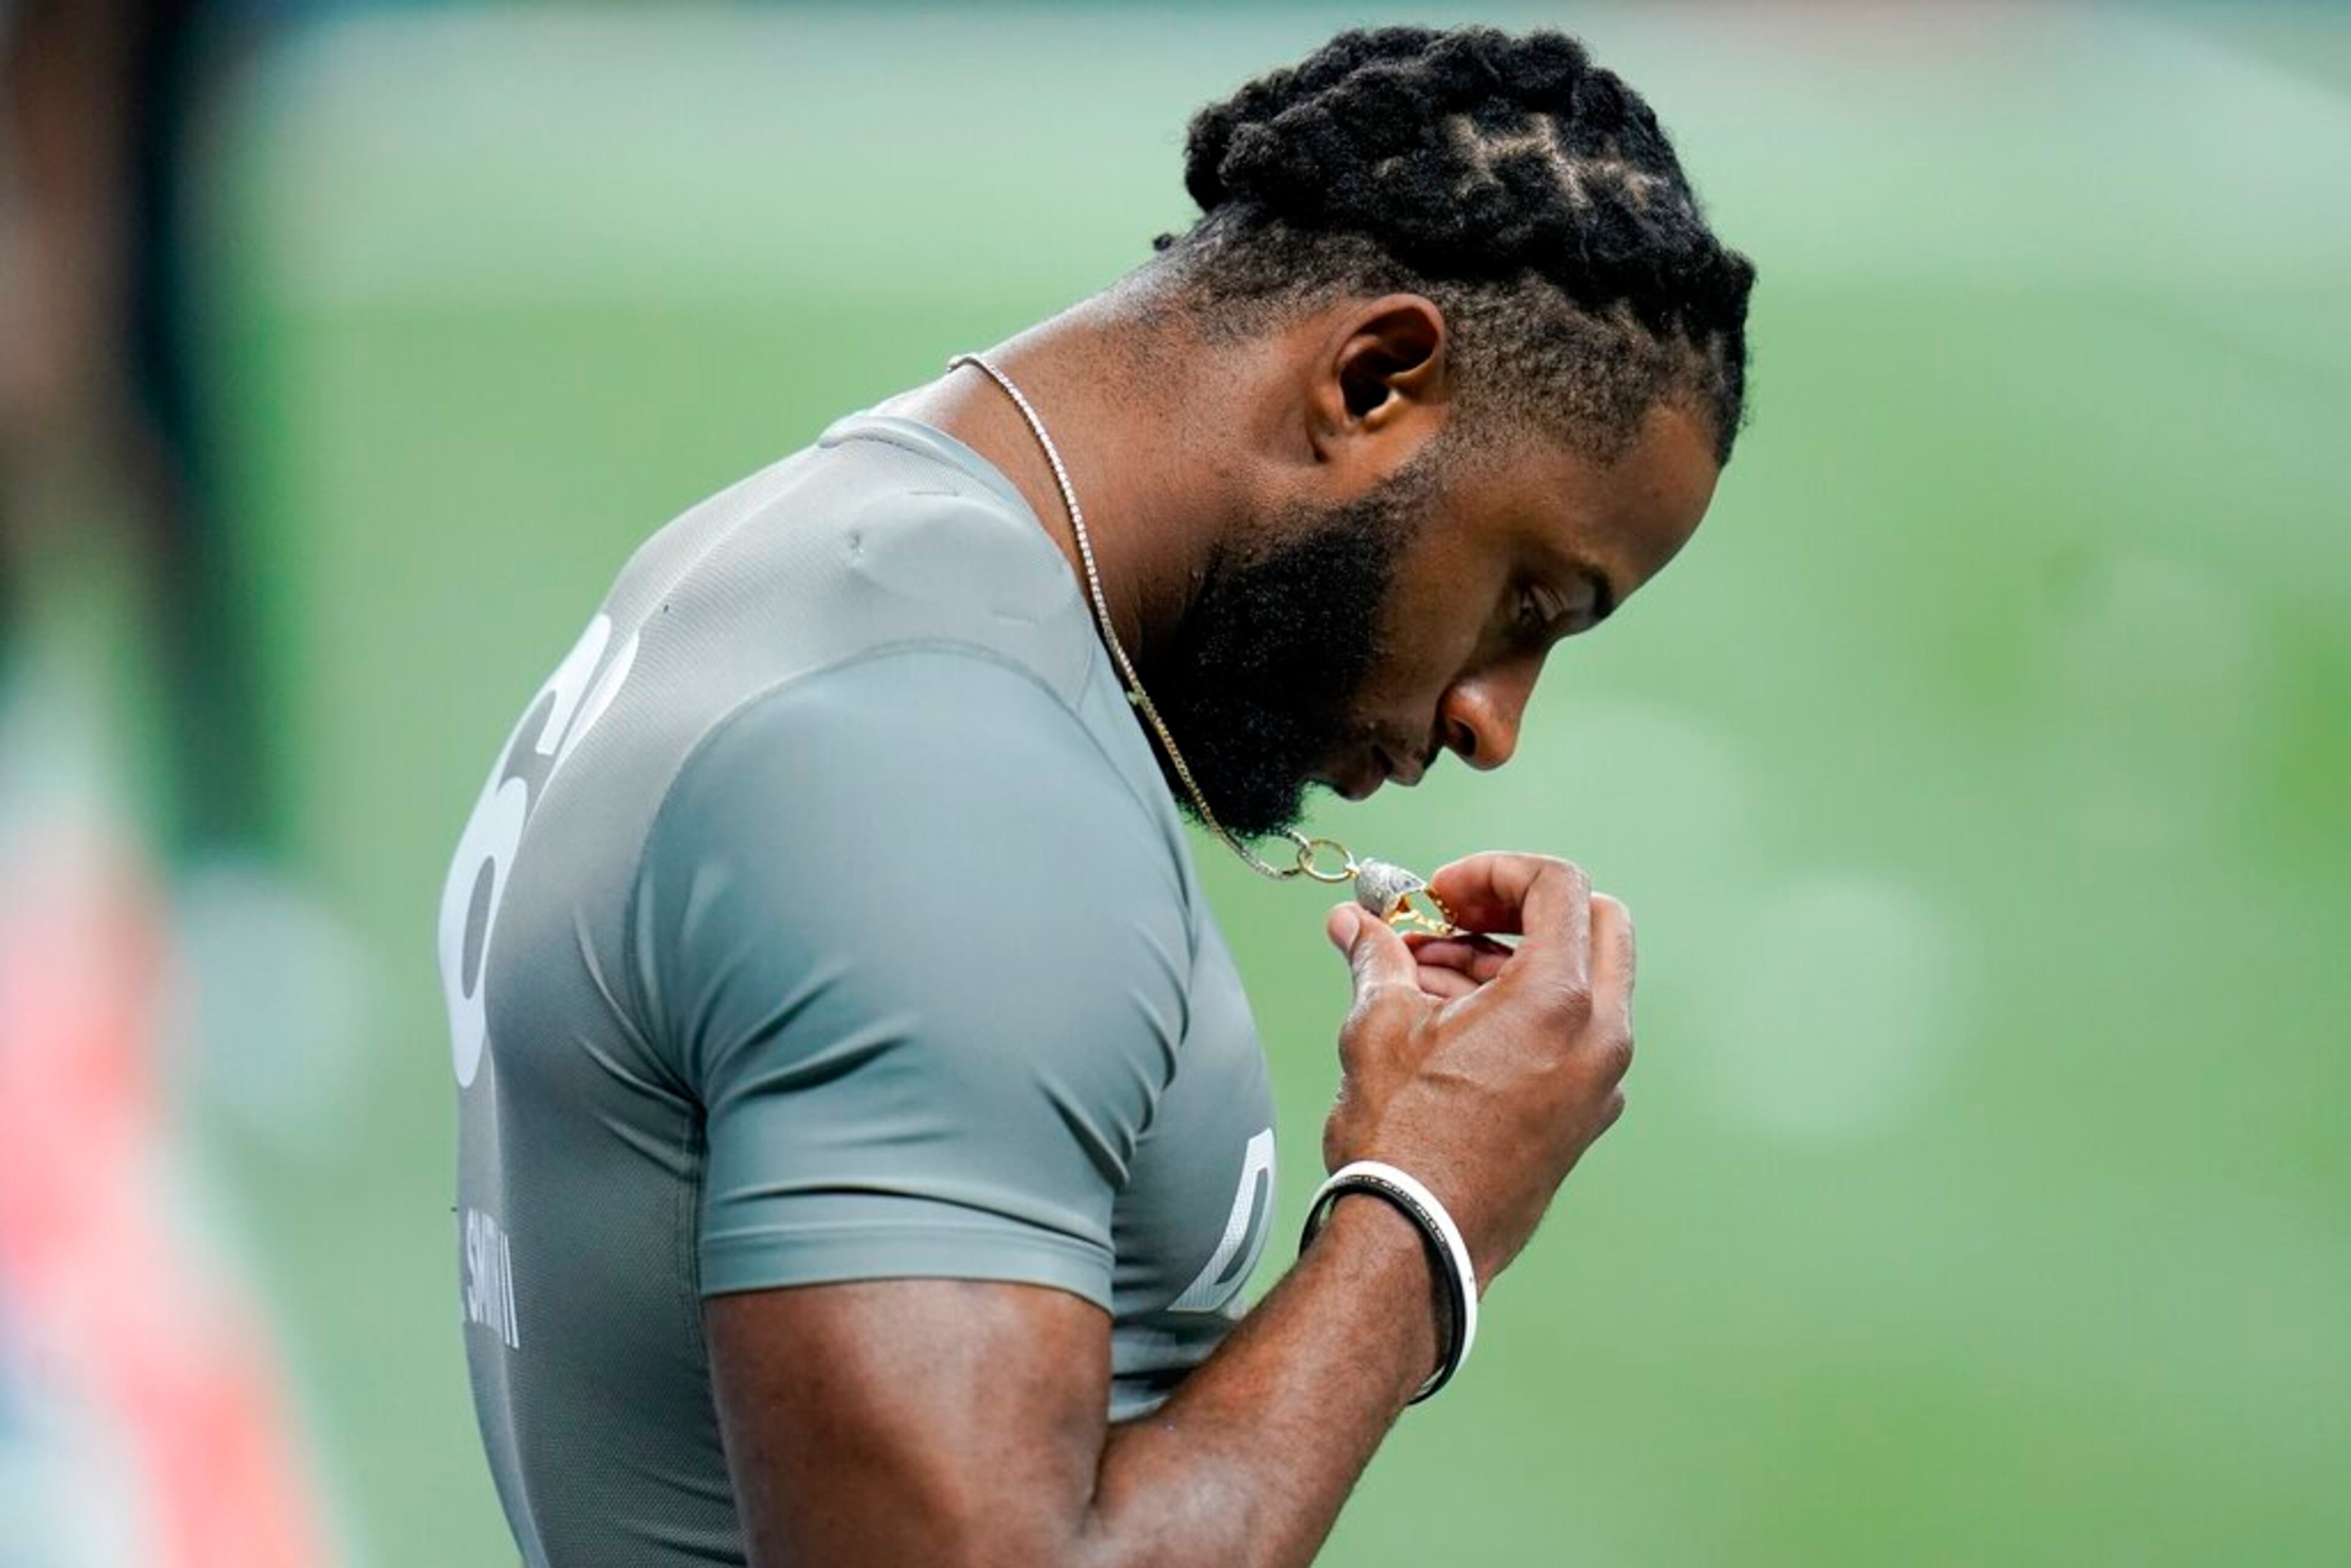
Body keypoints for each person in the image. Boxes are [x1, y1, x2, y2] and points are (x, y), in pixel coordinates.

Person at [438, 24, 1752, 1567]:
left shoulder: (835, 544)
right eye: (1530, 599)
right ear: (1375, 379)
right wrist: (1427, 1212)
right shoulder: (936, 766)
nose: (1492, 723)